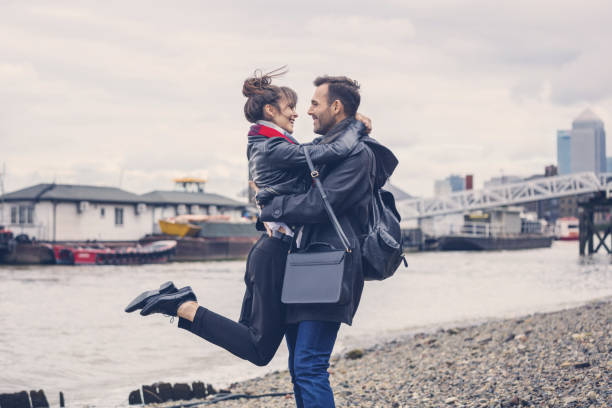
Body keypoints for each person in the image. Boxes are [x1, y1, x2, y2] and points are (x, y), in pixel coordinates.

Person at [125, 68, 369, 369]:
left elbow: (317, 155)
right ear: (270, 110)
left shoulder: (271, 143)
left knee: (251, 341)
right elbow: (330, 151)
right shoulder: (273, 146)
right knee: (259, 348)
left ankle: (181, 303)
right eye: (290, 107)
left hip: (268, 251)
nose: (298, 114)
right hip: (274, 255)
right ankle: (181, 306)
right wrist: (357, 127)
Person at [257, 75, 375, 407]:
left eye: (314, 103)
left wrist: (271, 209)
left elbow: (320, 205)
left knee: (309, 365)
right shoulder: (323, 153)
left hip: (332, 267)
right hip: (304, 266)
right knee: (300, 367)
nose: (307, 111)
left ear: (336, 107)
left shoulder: (358, 155)